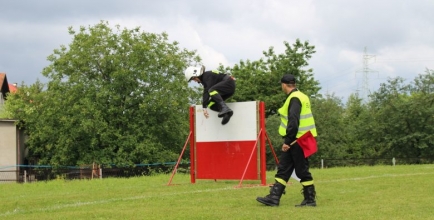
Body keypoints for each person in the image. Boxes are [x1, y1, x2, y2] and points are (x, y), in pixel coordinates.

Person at [256, 73, 318, 207]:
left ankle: (310, 199)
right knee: (284, 168)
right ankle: (274, 197)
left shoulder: (294, 98)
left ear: (284, 85)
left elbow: (293, 122)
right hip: (301, 138)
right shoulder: (302, 96)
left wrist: (287, 142)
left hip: (297, 140)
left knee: (302, 170)